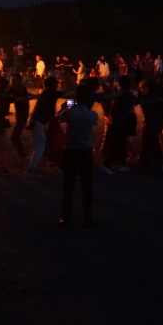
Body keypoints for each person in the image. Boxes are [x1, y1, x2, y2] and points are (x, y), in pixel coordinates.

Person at [57, 84, 98, 226]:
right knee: (87, 186)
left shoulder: (69, 112)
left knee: (68, 185)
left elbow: (57, 118)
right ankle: (87, 216)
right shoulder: (92, 115)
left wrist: (64, 108)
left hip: (71, 151)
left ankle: (66, 217)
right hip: (86, 151)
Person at [26, 76, 67, 177]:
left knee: (41, 145)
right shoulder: (51, 92)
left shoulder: (46, 93)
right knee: (40, 147)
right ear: (53, 85)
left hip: (37, 121)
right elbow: (66, 92)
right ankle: (31, 169)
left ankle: (36, 166)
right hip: (39, 122)